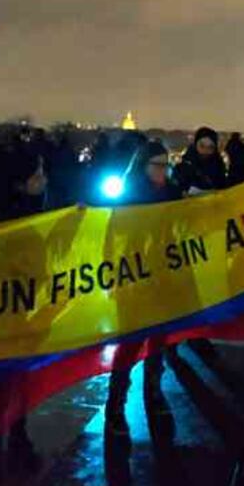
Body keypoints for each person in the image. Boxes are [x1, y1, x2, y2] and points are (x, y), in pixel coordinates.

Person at [0, 146, 48, 478]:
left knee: (15, 378)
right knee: (5, 380)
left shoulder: (32, 210)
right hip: (2, 312)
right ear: (19, 183)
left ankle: (10, 438)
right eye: (37, 174)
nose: (44, 180)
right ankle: (1, 443)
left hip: (18, 309)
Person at [106, 141, 180, 437]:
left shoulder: (173, 192)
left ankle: (153, 388)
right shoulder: (128, 195)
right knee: (130, 342)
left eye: (166, 164)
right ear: (144, 165)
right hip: (134, 277)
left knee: (159, 339)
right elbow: (112, 234)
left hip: (163, 273)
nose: (163, 171)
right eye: (158, 165)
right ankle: (117, 402)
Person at [175, 126, 229, 193]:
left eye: (210, 147)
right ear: (195, 144)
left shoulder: (219, 166)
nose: (205, 151)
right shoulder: (184, 165)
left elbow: (223, 188)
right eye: (202, 146)